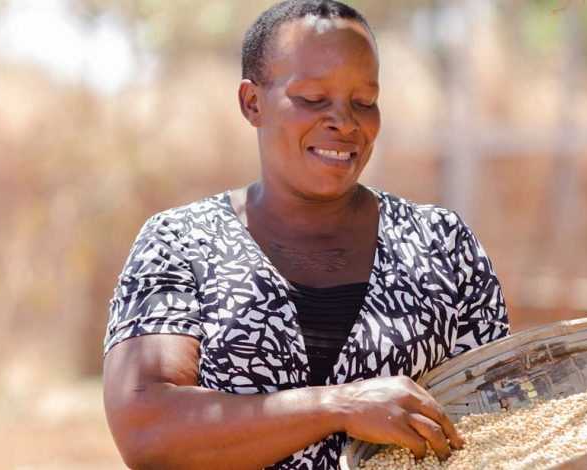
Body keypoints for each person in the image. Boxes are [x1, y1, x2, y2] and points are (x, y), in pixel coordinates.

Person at [102, 1, 509, 469]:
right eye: (313, 99)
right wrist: (340, 406)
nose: (345, 122)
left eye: (364, 101)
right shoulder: (181, 243)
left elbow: (500, 420)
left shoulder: (442, 245)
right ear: (252, 103)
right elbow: (147, 429)